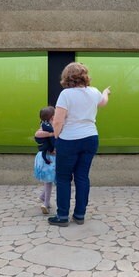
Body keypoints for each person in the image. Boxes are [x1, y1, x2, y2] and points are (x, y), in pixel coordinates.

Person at [48, 62, 110, 227]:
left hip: (69, 141)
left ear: (67, 77)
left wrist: (57, 138)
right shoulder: (94, 92)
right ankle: (79, 214)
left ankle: (62, 216)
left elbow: (58, 120)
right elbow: (103, 102)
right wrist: (106, 92)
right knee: (82, 177)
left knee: (63, 178)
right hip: (91, 138)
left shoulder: (66, 94)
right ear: (85, 76)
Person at [34, 106, 56, 215]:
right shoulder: (47, 127)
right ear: (52, 117)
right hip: (48, 158)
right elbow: (37, 134)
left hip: (49, 158)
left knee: (49, 180)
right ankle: (46, 203)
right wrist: (51, 134)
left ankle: (42, 197)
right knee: (48, 181)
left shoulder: (47, 125)